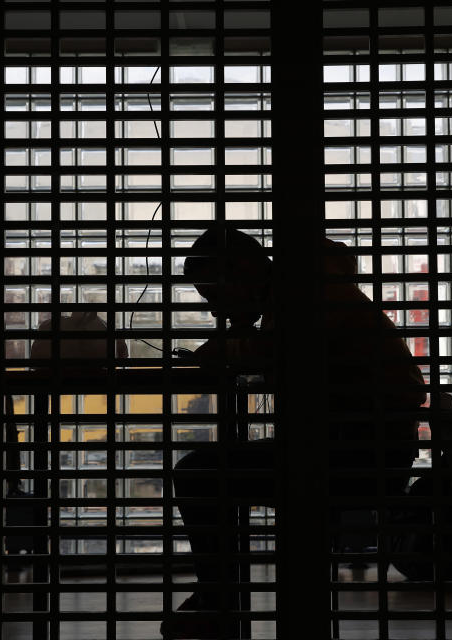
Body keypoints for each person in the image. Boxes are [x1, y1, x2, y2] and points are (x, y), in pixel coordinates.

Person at [161, 228, 426, 639]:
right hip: (364, 446)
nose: (215, 308)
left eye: (214, 294)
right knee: (210, 471)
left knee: (200, 473)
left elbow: (285, 349)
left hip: (352, 451)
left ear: (239, 273)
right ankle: (219, 597)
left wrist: (225, 348)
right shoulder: (308, 288)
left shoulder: (302, 295)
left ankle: (218, 599)